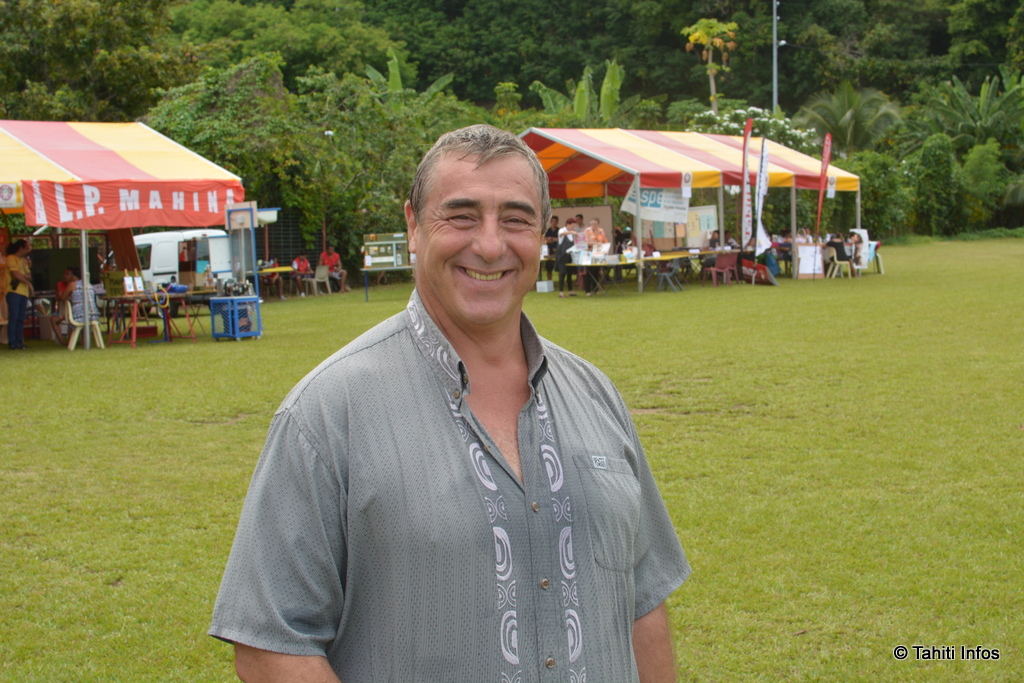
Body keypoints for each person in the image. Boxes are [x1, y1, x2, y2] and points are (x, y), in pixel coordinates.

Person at [210, 124, 690, 683]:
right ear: (414, 225)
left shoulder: (596, 395)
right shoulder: (325, 414)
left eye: (515, 219)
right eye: (461, 216)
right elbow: (272, 646)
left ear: (541, 233)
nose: (489, 245)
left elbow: (643, 604)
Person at [5, 239, 33, 350]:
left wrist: (23, 276)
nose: (30, 248)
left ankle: (19, 342)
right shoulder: (11, 258)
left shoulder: (23, 261)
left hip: (23, 292)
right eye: (28, 246)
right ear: (21, 247)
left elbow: (29, 275)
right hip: (14, 291)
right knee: (14, 317)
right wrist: (28, 283)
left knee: (21, 318)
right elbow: (15, 274)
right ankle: (12, 342)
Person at [555, 218, 579, 298]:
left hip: (570, 256)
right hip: (563, 256)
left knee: (569, 274)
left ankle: (570, 290)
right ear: (568, 224)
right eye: (572, 226)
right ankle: (561, 292)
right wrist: (571, 232)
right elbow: (561, 234)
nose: (573, 228)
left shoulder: (571, 234)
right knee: (562, 273)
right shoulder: (562, 230)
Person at [543, 215, 559, 280]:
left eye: (555, 221)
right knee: (548, 268)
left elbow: (559, 239)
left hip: (557, 250)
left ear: (557, 222)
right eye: (552, 221)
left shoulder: (559, 230)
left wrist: (551, 238)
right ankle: (549, 281)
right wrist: (553, 239)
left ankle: (560, 281)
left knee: (558, 268)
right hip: (548, 250)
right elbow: (545, 240)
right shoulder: (547, 231)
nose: (553, 222)